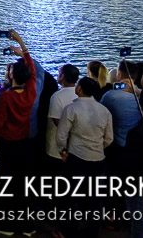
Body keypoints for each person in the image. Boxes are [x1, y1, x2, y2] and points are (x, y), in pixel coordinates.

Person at [56, 77, 114, 238]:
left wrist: (63, 152)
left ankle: (69, 231)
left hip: (76, 158)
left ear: (80, 89)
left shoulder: (71, 109)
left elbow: (61, 136)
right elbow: (109, 138)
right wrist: (98, 148)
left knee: (73, 197)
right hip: (98, 159)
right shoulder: (104, 110)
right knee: (95, 199)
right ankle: (92, 231)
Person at [0, 30, 38, 226]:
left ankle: (7, 223)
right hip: (24, 142)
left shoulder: (6, 97)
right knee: (21, 181)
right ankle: (25, 224)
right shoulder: (30, 92)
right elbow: (33, 69)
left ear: (12, 75)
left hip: (7, 144)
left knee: (5, 181)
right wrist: (21, 44)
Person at [45, 64, 80, 167]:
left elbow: (57, 122)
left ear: (62, 76)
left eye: (59, 73)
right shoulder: (81, 94)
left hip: (56, 150)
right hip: (76, 147)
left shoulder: (57, 96)